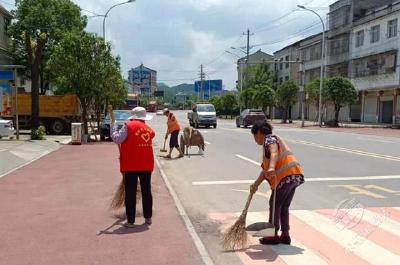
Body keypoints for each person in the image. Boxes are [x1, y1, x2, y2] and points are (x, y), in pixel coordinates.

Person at [250, 120, 304, 245]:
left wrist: (272, 167)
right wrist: (255, 185)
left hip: (285, 177)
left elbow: (274, 152)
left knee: (274, 204)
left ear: (259, 133)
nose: (255, 139)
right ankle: (285, 235)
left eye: (254, 136)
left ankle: (272, 235)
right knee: (283, 206)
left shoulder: (269, 140)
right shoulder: (272, 140)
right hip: (294, 175)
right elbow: (264, 171)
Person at [110, 106, 155, 228]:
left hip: (131, 164)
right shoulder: (148, 129)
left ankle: (131, 221)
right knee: (146, 191)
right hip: (146, 164)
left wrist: (113, 128)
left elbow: (117, 139)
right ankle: (148, 217)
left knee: (130, 192)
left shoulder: (128, 126)